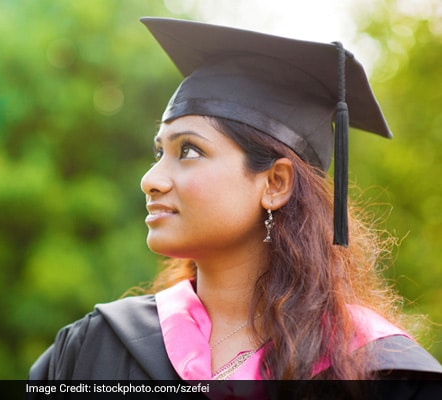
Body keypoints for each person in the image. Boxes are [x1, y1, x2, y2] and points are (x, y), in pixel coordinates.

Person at [29, 17, 442, 396]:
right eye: (159, 152)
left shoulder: (379, 374)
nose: (151, 180)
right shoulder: (95, 348)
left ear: (276, 183)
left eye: (188, 151)